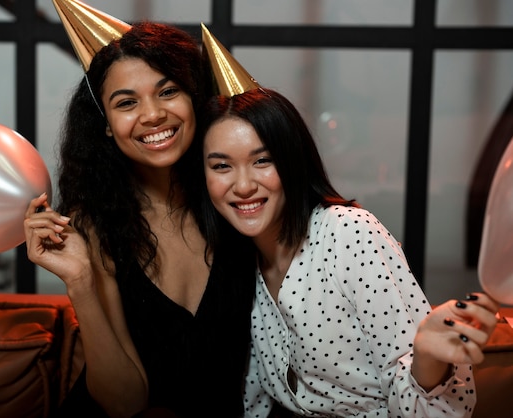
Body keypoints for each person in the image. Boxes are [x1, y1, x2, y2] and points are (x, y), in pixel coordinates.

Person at [195, 25, 500, 418]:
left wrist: (426, 359)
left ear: (292, 161)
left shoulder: (347, 233)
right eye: (221, 166)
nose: (243, 185)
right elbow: (254, 394)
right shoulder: (236, 257)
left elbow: (434, 403)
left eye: (262, 160)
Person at [24, 2, 255, 417]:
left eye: (168, 92)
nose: (152, 115)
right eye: (127, 103)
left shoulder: (240, 201)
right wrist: (80, 282)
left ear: (195, 99)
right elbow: (124, 402)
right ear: (107, 125)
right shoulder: (93, 225)